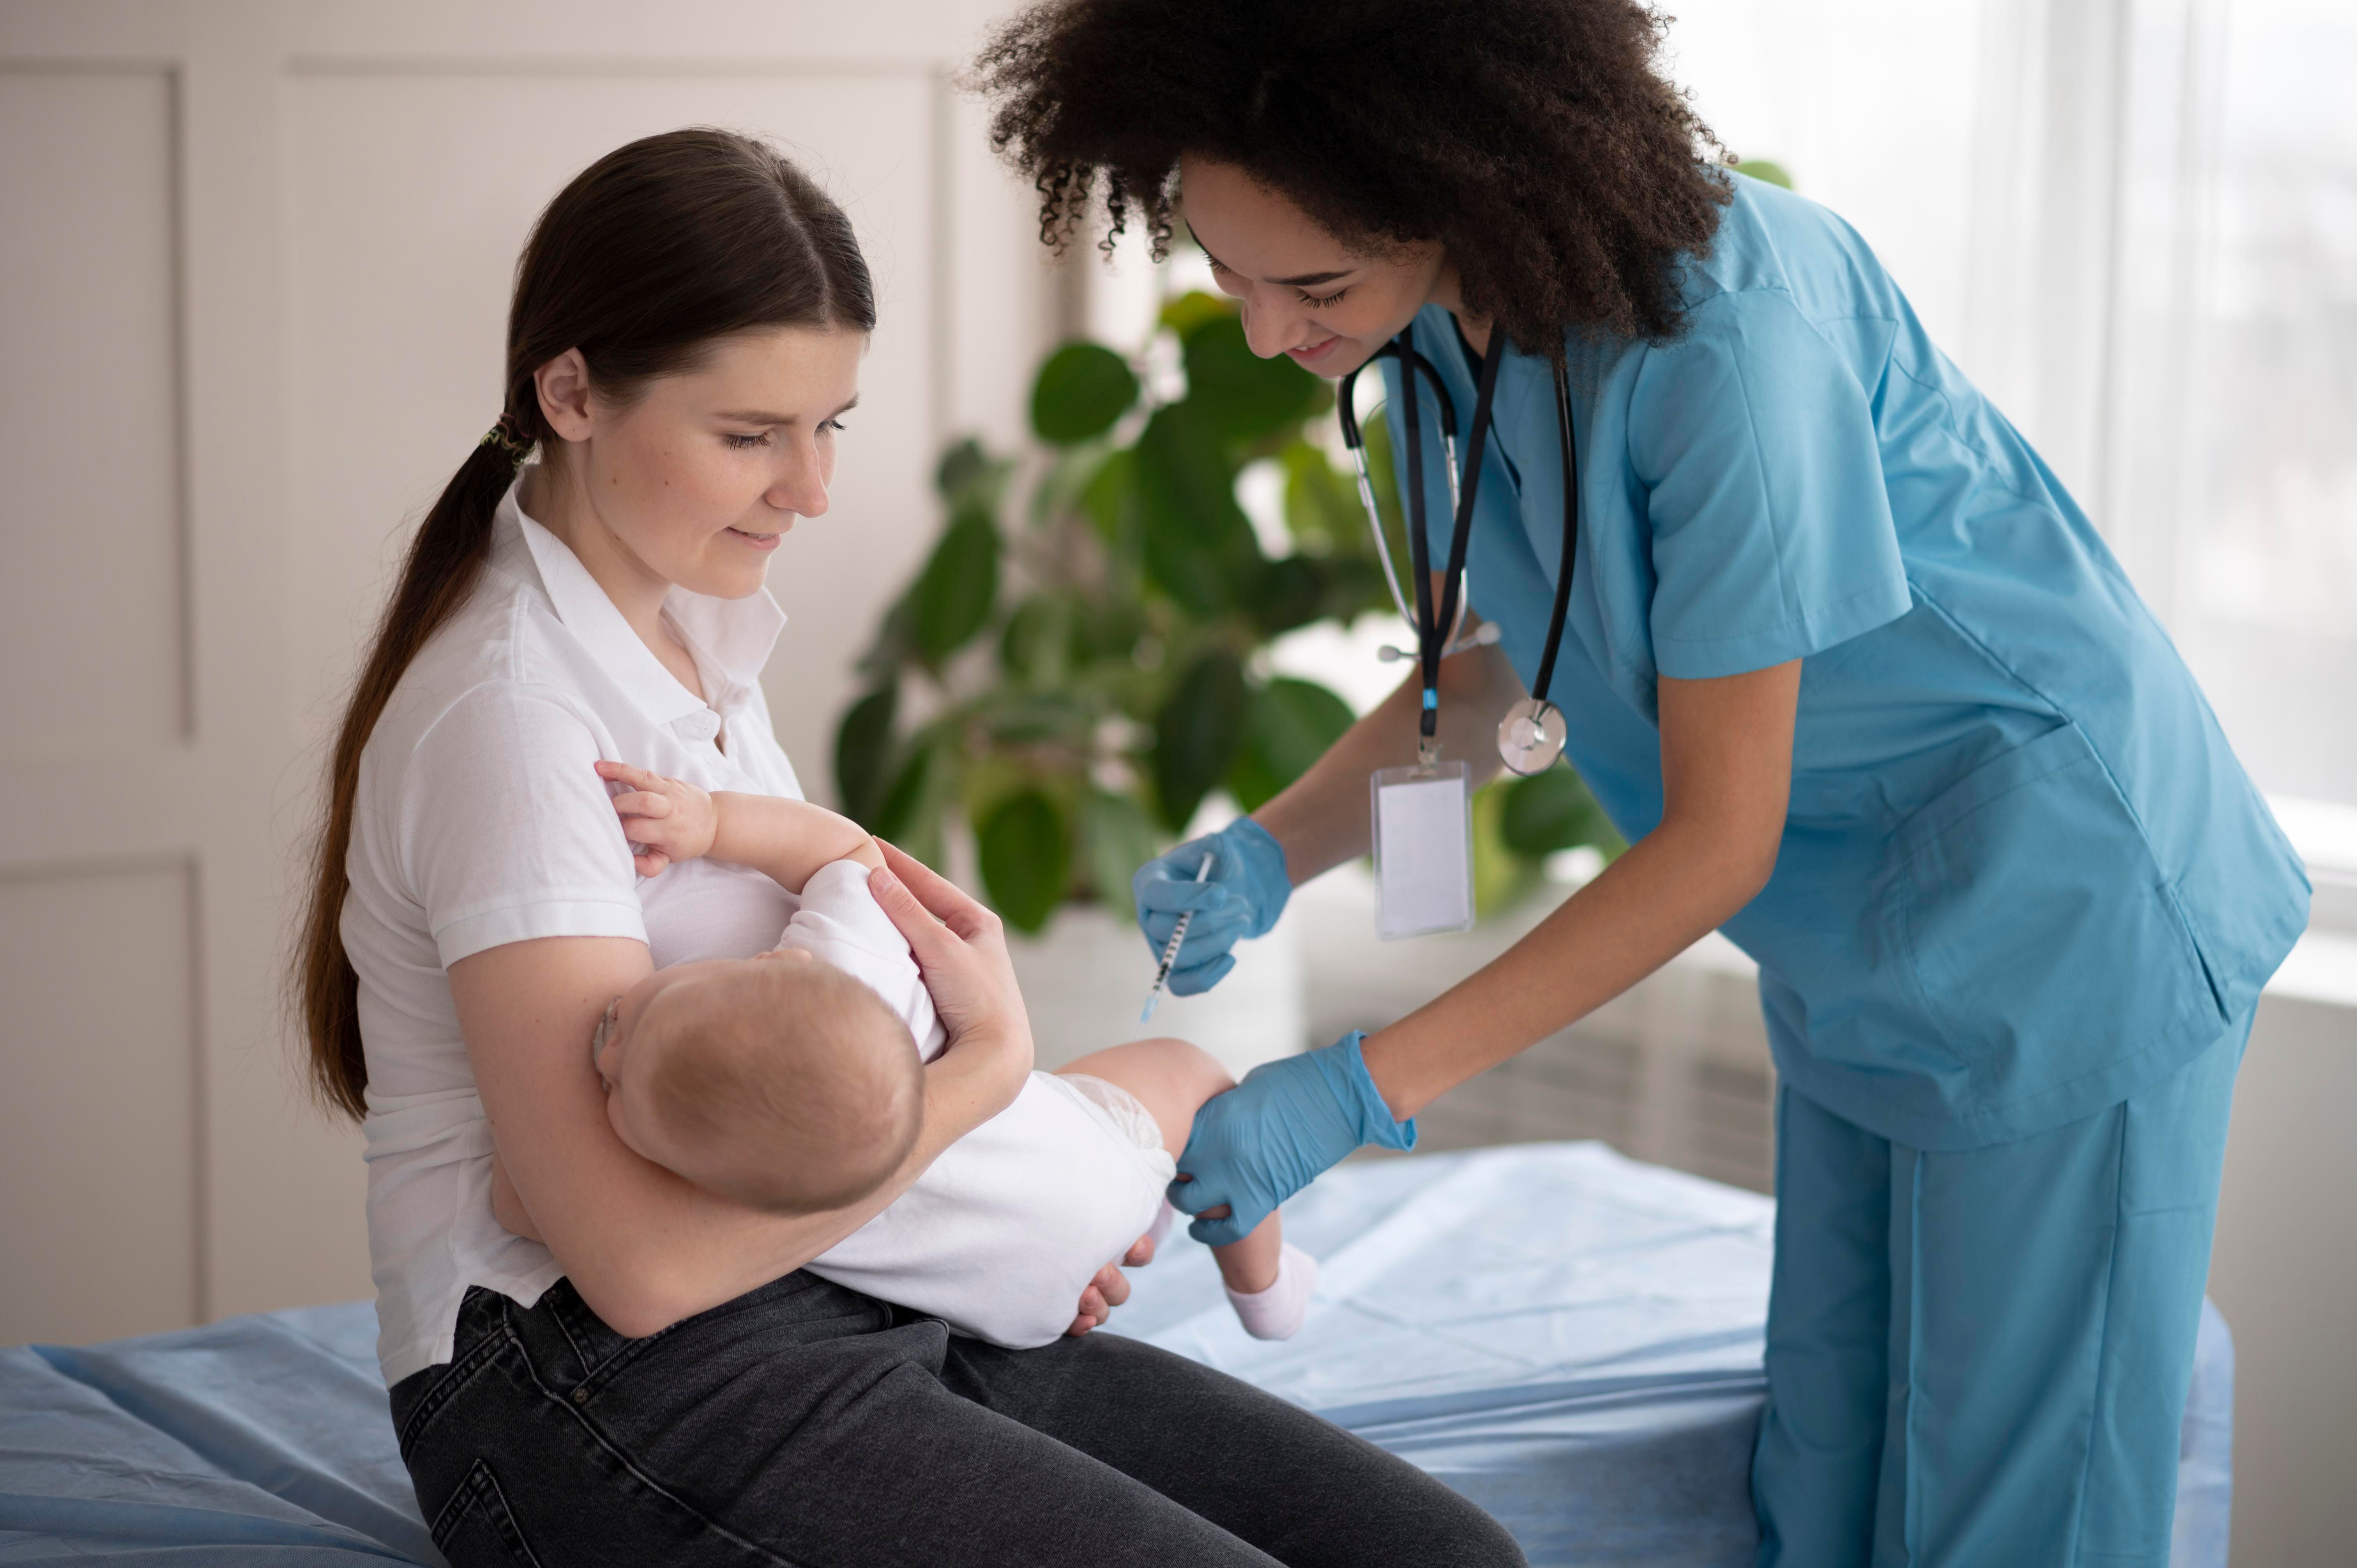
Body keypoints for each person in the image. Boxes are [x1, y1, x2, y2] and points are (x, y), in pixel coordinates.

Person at [976, 4, 2312, 1564]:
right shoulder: (1421, 342)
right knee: (1824, 1465)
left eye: (1313, 286)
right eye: (1229, 276)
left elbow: (1718, 838)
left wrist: (1360, 1086)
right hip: (1856, 939)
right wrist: (1272, 852)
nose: (1272, 333)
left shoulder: (1731, 336)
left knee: (2014, 1514)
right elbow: (1506, 661)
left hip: (2066, 904)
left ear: (1465, 186)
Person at [295, 127, 1524, 1567]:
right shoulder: (513, 721)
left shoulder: (685, 639)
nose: (807, 490)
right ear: (568, 391)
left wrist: (988, 1236)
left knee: (1445, 1556)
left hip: (818, 1293)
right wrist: (986, 1078)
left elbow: (783, 1070)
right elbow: (632, 1265)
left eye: (832, 426)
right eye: (749, 436)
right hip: (581, 1380)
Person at [519, 759, 1318, 1344]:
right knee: (1198, 1079)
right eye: (618, 1087)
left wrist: (533, 1188)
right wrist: (715, 821)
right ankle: (1267, 1286)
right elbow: (849, 853)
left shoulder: (744, 1194)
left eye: (625, 1020)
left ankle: (1245, 1274)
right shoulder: (842, 959)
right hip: (1080, 1161)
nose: (608, 1038)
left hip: (1021, 1305)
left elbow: (541, 1205)